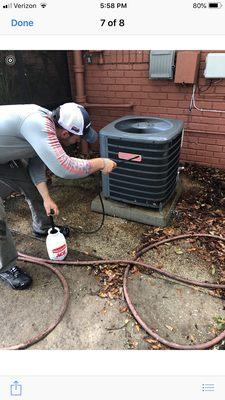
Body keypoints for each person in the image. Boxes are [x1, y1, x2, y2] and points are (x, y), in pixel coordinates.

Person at [0, 102, 117, 290]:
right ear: (65, 134)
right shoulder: (38, 125)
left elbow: (36, 166)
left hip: (2, 157)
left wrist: (46, 198)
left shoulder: (47, 126)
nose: (80, 141)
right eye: (78, 138)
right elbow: (65, 168)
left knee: (33, 187)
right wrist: (100, 163)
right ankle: (5, 267)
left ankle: (42, 227)